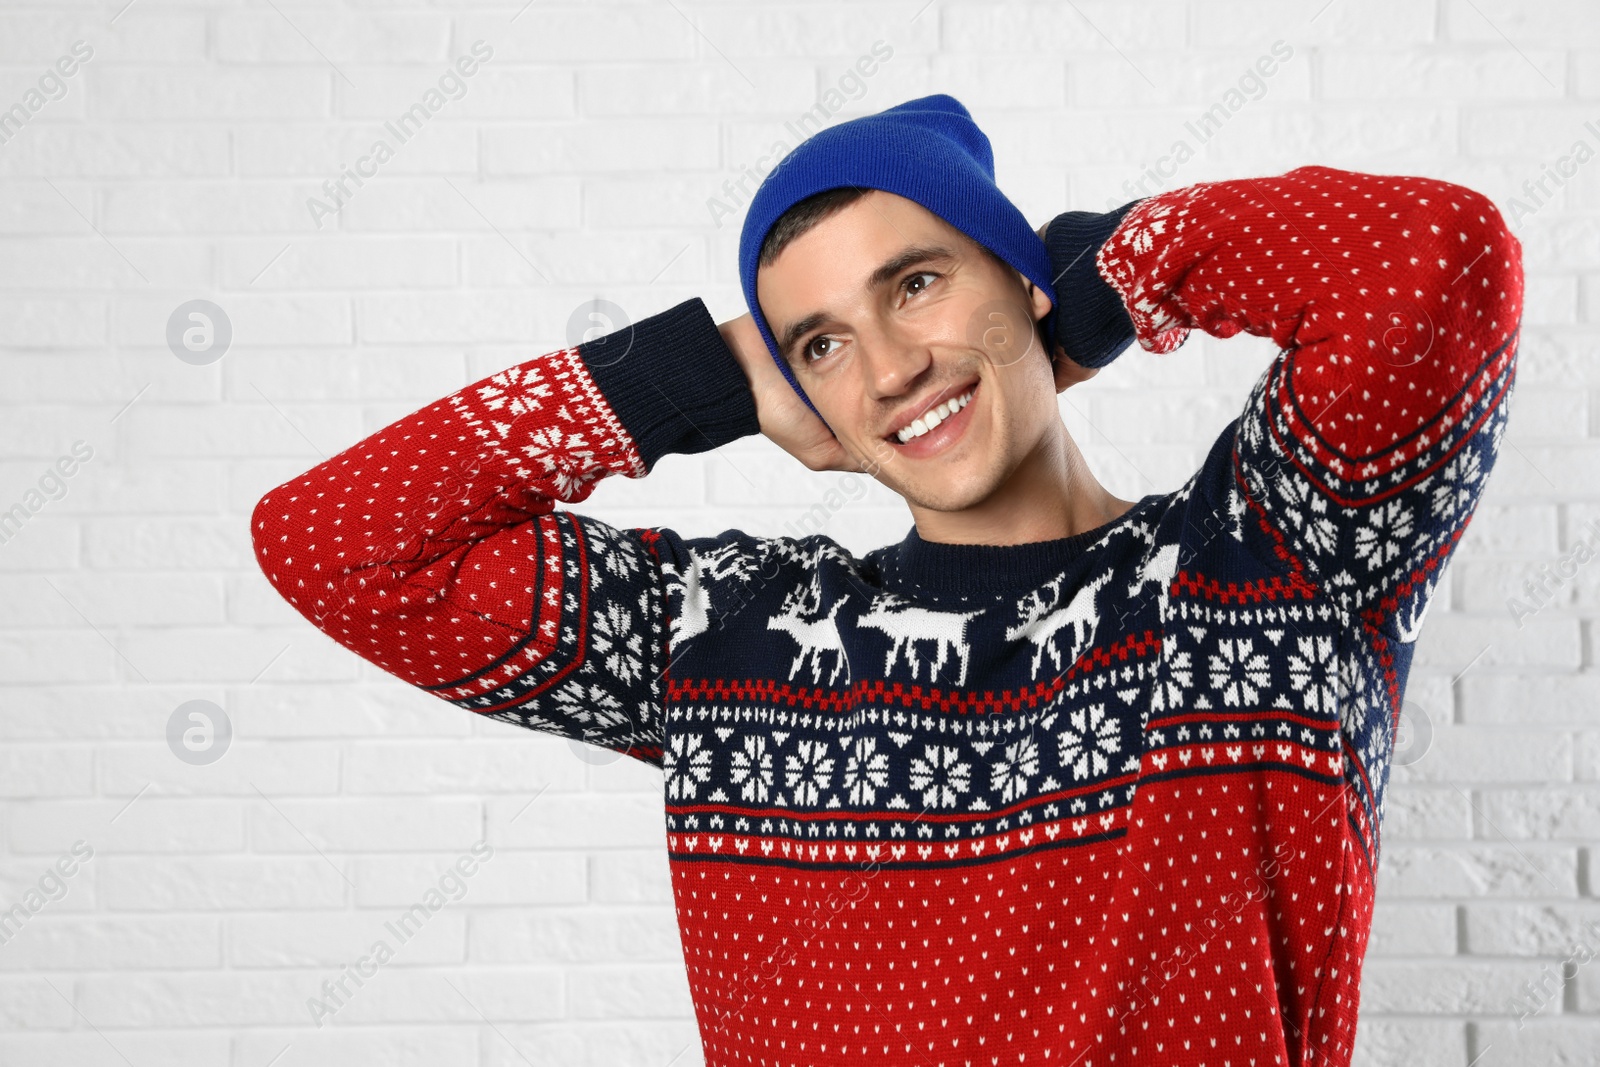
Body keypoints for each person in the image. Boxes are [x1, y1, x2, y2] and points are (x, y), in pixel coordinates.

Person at [251, 94, 1523, 1066]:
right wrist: (691, 378)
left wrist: (1108, 283)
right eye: (820, 342)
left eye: (916, 283)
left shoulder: (1271, 557)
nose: (891, 367)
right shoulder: (733, 639)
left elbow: (1430, 259)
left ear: (1018, 280)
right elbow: (335, 543)